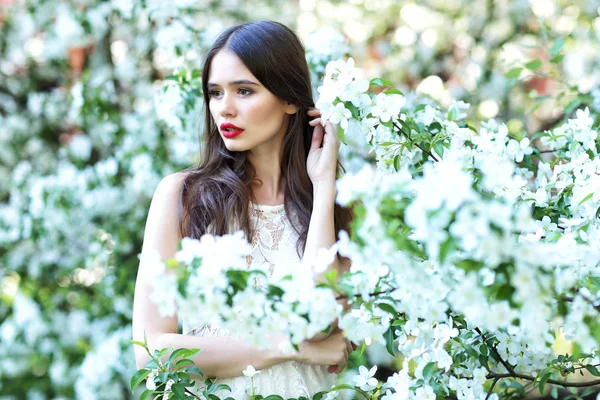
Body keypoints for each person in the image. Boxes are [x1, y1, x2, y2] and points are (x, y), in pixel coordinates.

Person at [132, 20, 354, 398]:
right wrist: (289, 346)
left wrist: (323, 186)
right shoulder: (181, 196)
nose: (225, 109)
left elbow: (318, 322)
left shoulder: (337, 205)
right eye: (215, 93)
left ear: (290, 100)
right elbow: (153, 351)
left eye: (244, 91)